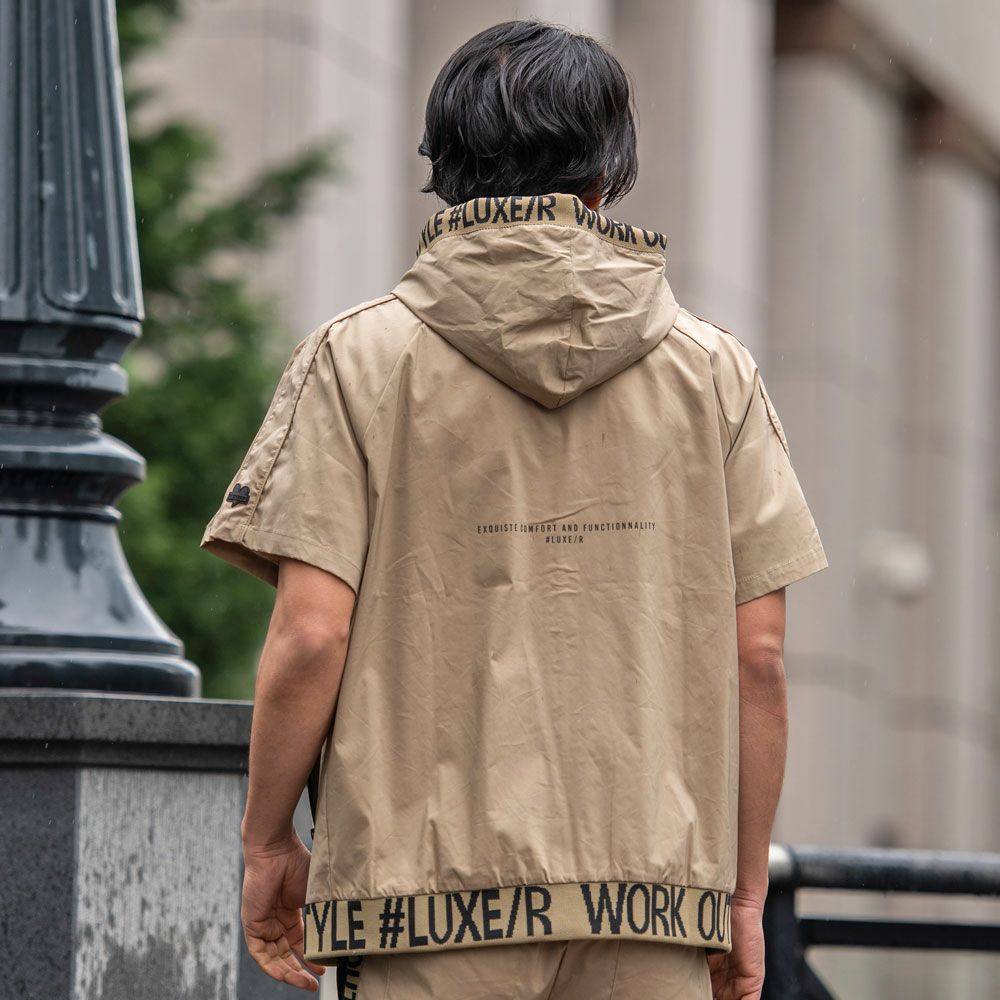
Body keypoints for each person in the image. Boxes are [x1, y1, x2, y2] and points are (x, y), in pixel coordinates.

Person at [202, 18, 827, 1000]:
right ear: (602, 177)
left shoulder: (357, 360)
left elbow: (312, 636)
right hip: (650, 905)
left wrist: (267, 838)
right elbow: (758, 658)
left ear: (445, 169)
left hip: (419, 907)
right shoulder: (716, 376)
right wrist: (743, 894)